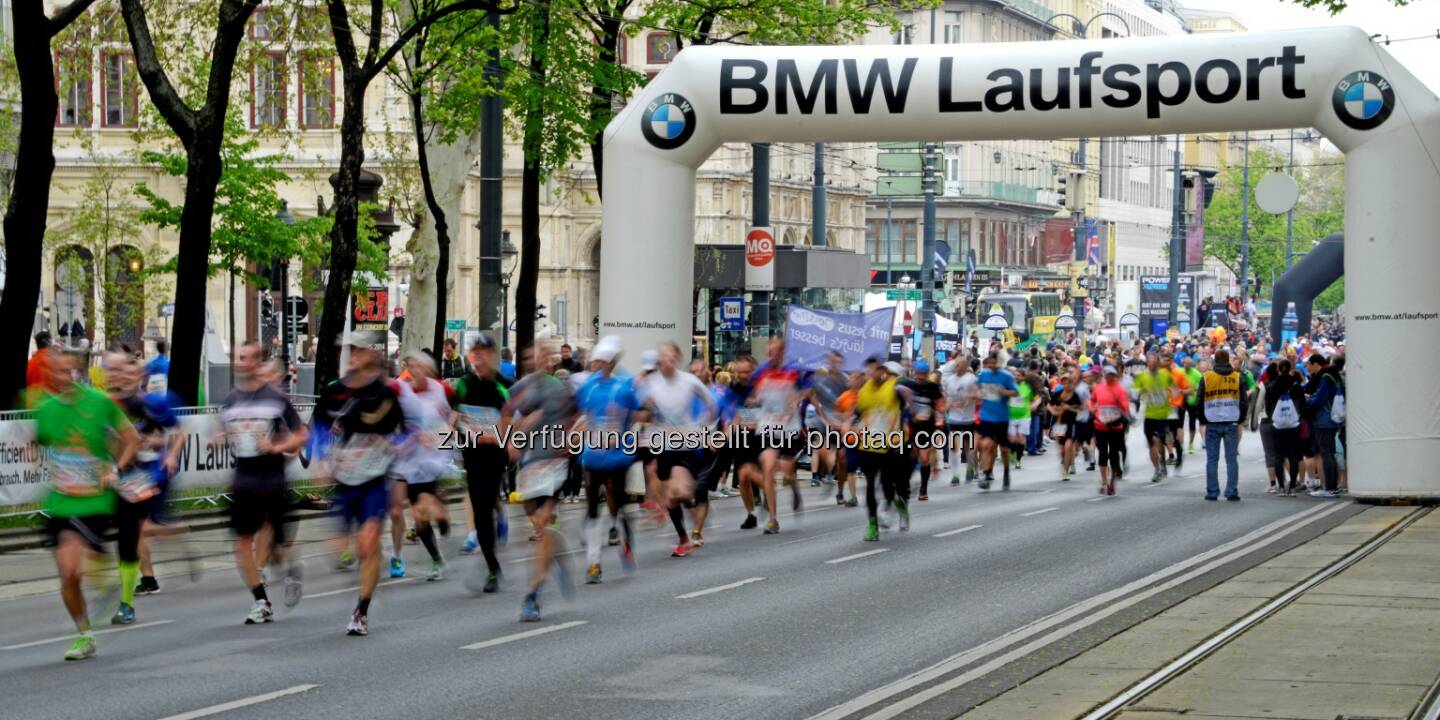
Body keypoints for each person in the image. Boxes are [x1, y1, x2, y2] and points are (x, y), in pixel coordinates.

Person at [35, 348, 139, 660]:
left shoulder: (99, 403)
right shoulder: (46, 408)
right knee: (68, 573)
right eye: (55, 372)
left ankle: (102, 577)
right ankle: (85, 634)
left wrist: (115, 467)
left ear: (78, 372)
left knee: (76, 568)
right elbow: (40, 441)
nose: (61, 377)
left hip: (94, 500)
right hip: (61, 502)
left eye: (67, 371)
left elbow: (131, 438)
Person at [313, 330, 404, 636]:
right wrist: (321, 461)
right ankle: (360, 554)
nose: (353, 356)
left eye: (358, 350)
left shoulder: (387, 393)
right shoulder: (335, 391)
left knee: (368, 542)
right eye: (349, 351)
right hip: (343, 479)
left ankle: (361, 611)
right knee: (340, 548)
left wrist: (394, 446)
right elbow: (318, 429)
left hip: (374, 479)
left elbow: (405, 432)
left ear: (371, 356)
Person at [220, 341, 309, 623]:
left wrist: (274, 446)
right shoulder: (231, 400)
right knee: (242, 543)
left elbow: (301, 435)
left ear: (257, 361)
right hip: (243, 481)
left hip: (272, 480)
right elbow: (222, 431)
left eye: (246, 357)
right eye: (237, 357)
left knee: (278, 545)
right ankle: (261, 601)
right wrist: (219, 439)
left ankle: (292, 569)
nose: (240, 362)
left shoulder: (275, 398)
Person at [103, 352, 186, 610]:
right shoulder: (106, 403)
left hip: (150, 472)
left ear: (140, 377)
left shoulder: (149, 403)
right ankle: (147, 578)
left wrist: (169, 453)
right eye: (117, 372)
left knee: (138, 530)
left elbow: (178, 431)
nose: (123, 378)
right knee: (133, 533)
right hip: (121, 475)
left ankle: (172, 532)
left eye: (129, 373)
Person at [505, 340, 578, 622]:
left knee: (542, 527)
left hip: (555, 463)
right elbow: (506, 415)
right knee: (539, 526)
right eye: (535, 354)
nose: (541, 359)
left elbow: (580, 419)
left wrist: (574, 437)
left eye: (546, 355)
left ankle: (532, 596)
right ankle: (559, 553)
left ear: (552, 360)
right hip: (529, 465)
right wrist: (513, 436)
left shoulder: (561, 389)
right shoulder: (520, 388)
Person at [450, 335, 512, 594]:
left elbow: (508, 424)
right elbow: (453, 414)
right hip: (472, 456)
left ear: (494, 355)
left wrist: (491, 436)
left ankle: (492, 569)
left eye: (484, 352)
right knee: (480, 512)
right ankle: (492, 563)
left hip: (495, 457)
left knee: (485, 508)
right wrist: (453, 423)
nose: (479, 357)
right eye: (475, 352)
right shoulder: (463, 385)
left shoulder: (503, 387)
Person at [576, 336, 640, 584]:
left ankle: (623, 537)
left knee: (617, 502)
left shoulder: (625, 386)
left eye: (601, 361)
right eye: (595, 361)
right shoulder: (587, 387)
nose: (596, 365)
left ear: (611, 362)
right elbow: (582, 415)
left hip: (616, 458)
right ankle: (594, 564)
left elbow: (637, 413)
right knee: (592, 509)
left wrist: (621, 431)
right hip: (592, 455)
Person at [638, 342, 715, 547]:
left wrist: (702, 427)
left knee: (677, 492)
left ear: (677, 360)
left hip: (687, 446)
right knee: (671, 499)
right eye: (663, 358)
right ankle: (683, 536)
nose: (667, 362)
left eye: (671, 358)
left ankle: (690, 500)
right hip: (664, 447)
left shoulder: (689, 381)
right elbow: (638, 409)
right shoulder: (651, 383)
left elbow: (711, 405)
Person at [393, 351, 455, 581]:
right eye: (410, 366)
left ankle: (442, 515)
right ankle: (437, 559)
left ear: (428, 369)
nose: (414, 370)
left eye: (418, 366)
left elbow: (458, 413)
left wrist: (444, 433)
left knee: (422, 506)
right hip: (411, 459)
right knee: (419, 520)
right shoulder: (404, 392)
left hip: (435, 457)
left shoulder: (442, 390)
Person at [855, 361, 912, 540]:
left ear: (883, 372)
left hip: (891, 447)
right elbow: (857, 413)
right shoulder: (864, 391)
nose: (870, 373)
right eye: (868, 370)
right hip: (869, 445)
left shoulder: (895, 387)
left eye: (875, 369)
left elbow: (907, 402)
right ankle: (872, 525)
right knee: (870, 485)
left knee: (888, 486)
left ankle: (898, 502)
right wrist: (848, 424)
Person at [1196, 348, 1249, 501]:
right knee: (1231, 459)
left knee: (1212, 459)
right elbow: (1244, 402)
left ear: (1215, 361)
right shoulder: (1237, 377)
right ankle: (1232, 491)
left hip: (1212, 421)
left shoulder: (1206, 377)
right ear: (1228, 361)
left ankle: (1212, 492)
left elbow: (1199, 402)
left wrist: (1203, 419)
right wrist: (1240, 419)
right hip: (1231, 421)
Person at [1133, 353, 1179, 483]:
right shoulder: (1142, 376)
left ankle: (1162, 464)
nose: (1152, 364)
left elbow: (1175, 390)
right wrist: (1143, 392)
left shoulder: (1165, 375)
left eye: (1154, 362)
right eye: (1149, 362)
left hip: (1162, 415)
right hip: (1149, 415)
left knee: (1158, 441)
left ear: (1157, 362)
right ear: (1147, 363)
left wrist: (1168, 398)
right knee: (1151, 443)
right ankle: (1157, 468)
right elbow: (1134, 393)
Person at [1263, 358, 1307, 496]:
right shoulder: (1296, 385)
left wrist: (1273, 418)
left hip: (1277, 425)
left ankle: (1281, 487)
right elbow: (1303, 404)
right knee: (1294, 455)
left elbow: (1268, 405)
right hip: (1293, 424)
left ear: (1278, 370)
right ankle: (1293, 487)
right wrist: (1298, 418)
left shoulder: (1273, 385)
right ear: (1290, 368)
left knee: (1278, 456)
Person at [1304, 353, 1345, 498]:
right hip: (1333, 418)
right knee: (1330, 453)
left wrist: (1307, 401)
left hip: (1324, 418)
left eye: (1308, 364)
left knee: (1325, 452)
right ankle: (1333, 486)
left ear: (1316, 364)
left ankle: (1329, 487)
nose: (1307, 367)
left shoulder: (1326, 377)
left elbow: (1318, 399)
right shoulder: (1335, 375)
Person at [975, 353, 1018, 490]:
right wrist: (976, 395)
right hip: (986, 416)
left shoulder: (1006, 376)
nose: (992, 366)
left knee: (1004, 450)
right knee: (986, 445)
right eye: (990, 363)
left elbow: (1016, 392)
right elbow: (976, 389)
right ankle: (986, 473)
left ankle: (1006, 472)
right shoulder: (983, 375)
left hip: (1001, 417)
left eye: (994, 363)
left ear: (998, 362)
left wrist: (1005, 393)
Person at [1090, 366, 1129, 495]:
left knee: (1113, 454)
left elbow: (1126, 408)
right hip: (1100, 425)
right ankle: (1104, 480)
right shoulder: (1099, 387)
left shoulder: (1120, 390)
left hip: (1115, 427)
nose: (1109, 377)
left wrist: (1118, 402)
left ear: (1115, 376)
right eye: (1107, 374)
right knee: (1102, 453)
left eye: (1111, 374)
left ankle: (1112, 481)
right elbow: (1091, 400)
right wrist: (1093, 409)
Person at [941, 355, 979, 486]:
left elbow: (977, 395)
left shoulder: (971, 378)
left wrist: (968, 397)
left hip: (968, 418)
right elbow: (946, 398)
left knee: (967, 448)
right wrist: (949, 405)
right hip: (954, 418)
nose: (956, 367)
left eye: (959, 364)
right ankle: (955, 475)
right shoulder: (949, 380)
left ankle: (969, 468)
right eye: (955, 365)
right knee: (953, 447)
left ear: (965, 365)